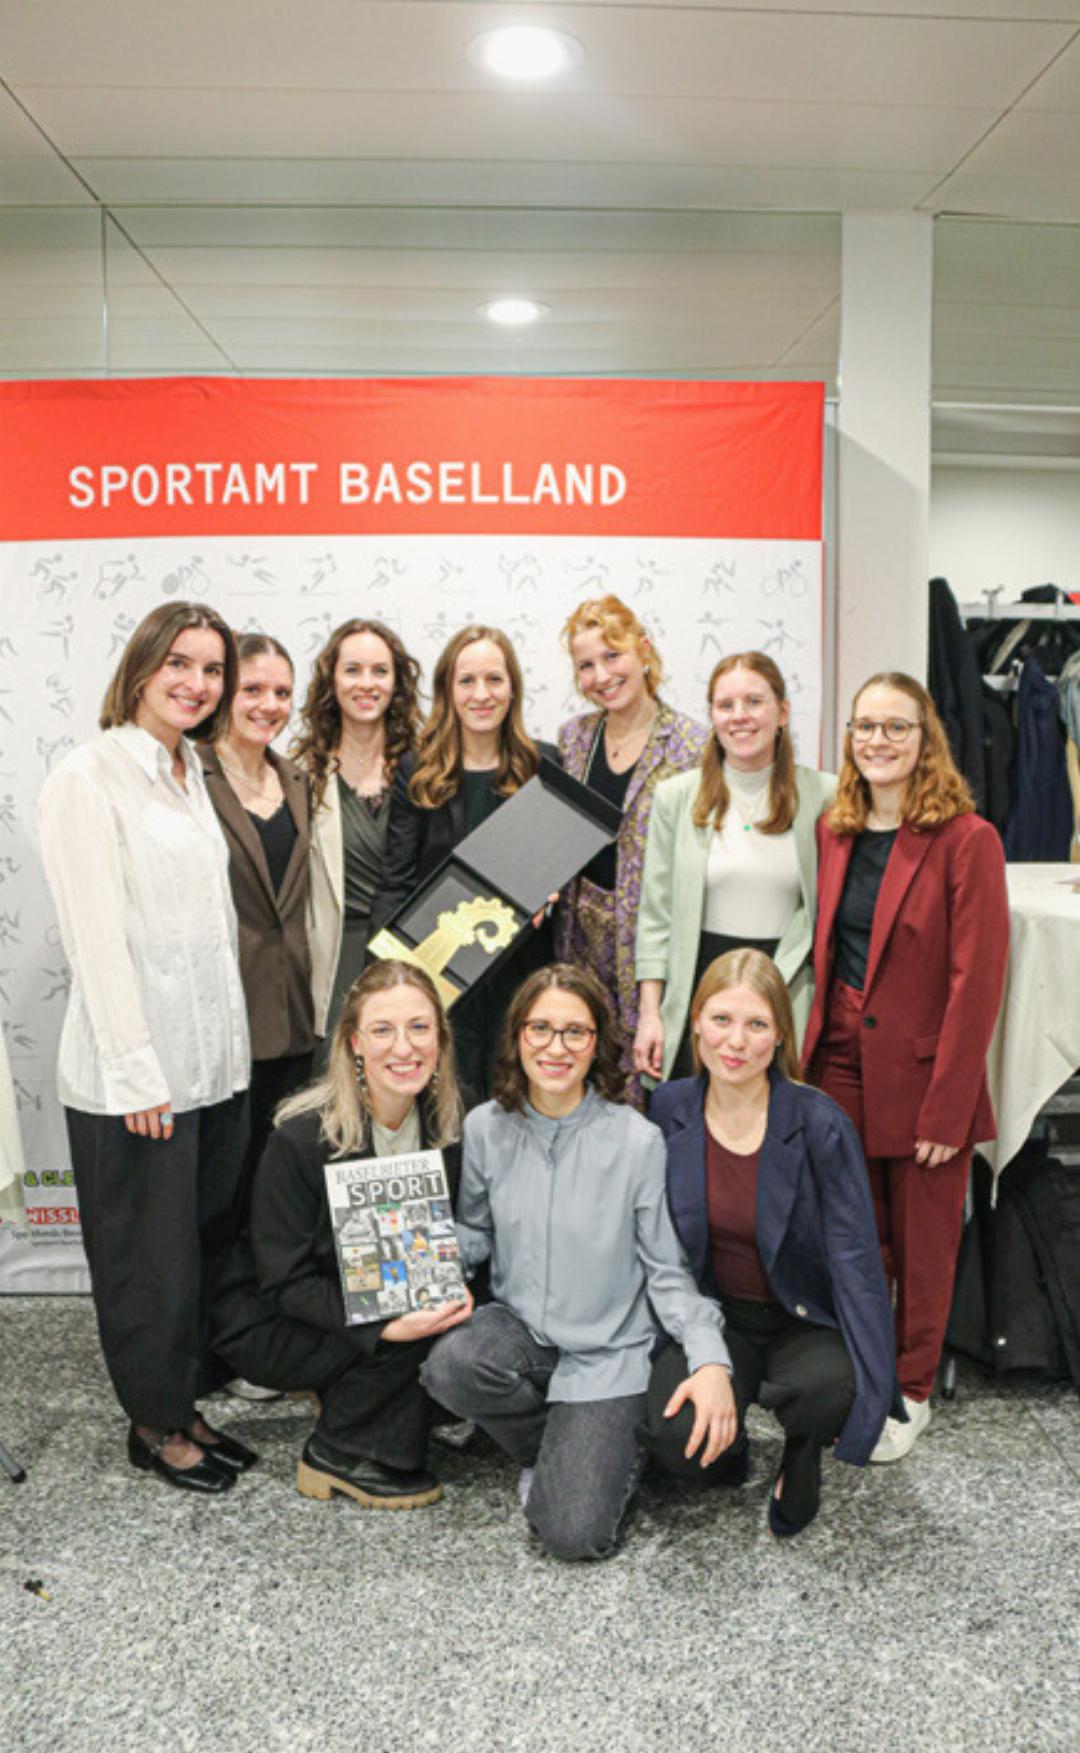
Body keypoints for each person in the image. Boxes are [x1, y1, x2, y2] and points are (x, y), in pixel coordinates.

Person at [38, 601, 254, 1495]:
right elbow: (95, 941)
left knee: (193, 1252)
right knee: (146, 1265)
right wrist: (135, 1071)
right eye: (179, 663)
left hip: (208, 1066)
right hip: (137, 1076)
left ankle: (183, 1403)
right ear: (140, 668)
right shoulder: (87, 777)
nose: (196, 683)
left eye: (212, 669)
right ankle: (153, 1426)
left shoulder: (191, 768)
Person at [421, 964, 734, 1562]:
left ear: (596, 1045)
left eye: (575, 1032)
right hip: (522, 1332)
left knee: (572, 1535)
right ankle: (557, 1446)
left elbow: (668, 1272)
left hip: (609, 1354)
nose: (555, 1047)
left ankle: (591, 1449)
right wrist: (420, 1258)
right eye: (540, 1028)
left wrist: (709, 1357)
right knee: (450, 1366)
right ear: (517, 1036)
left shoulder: (636, 1141)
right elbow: (476, 1232)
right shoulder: (486, 1127)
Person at [803, 672, 1010, 1462]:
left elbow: (976, 981)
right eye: (865, 726)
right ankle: (866, 1374)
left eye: (896, 727)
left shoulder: (967, 839)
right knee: (858, 1237)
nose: (878, 741)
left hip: (926, 1075)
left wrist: (949, 1106)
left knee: (924, 1248)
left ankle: (912, 1389)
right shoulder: (835, 829)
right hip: (840, 1062)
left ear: (927, 740)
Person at [644, 949, 899, 1537]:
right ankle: (729, 1447)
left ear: (781, 1034)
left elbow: (855, 1258)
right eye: (721, 1019)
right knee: (676, 1435)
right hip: (715, 1316)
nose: (736, 1041)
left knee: (833, 1390)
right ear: (697, 1023)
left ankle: (801, 1452)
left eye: (756, 1024)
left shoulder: (819, 1122)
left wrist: (876, 1384)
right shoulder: (668, 1108)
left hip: (800, 1320)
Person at [211, 960, 473, 1509]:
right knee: (416, 1344)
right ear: (355, 1043)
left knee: (470, 1327)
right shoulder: (300, 1138)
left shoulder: (449, 1127)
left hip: (379, 1292)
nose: (404, 1047)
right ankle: (337, 1451)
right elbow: (283, 1283)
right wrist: (383, 1328)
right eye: (382, 1030)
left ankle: (358, 1397)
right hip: (278, 1317)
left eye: (419, 1027)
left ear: (441, 1040)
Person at [370, 624, 555, 1094]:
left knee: (517, 1099)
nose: (481, 694)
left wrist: (554, 891)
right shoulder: (418, 769)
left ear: (512, 688)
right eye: (467, 681)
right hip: (440, 976)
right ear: (447, 691)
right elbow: (396, 879)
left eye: (494, 679)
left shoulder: (543, 766)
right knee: (449, 1103)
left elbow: (564, 866)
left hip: (521, 974)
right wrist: (385, 977)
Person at [634, 652, 834, 1084]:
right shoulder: (675, 796)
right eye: (726, 705)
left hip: (784, 990)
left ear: (782, 712)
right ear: (713, 716)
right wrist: (650, 1014)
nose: (739, 716)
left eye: (754, 702)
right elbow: (655, 918)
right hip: (698, 990)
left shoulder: (824, 795)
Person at [555, 595, 708, 1102]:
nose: (601, 675)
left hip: (650, 952)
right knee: (578, 1088)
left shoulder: (691, 746)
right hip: (577, 945)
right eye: (586, 665)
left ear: (642, 651)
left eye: (612, 656)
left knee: (647, 1092)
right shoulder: (574, 739)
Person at [201, 632, 315, 1235]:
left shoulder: (296, 780)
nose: (269, 705)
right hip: (223, 1015)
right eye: (253, 689)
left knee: (277, 1185)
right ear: (225, 692)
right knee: (220, 1189)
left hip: (292, 1014)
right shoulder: (191, 777)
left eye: (282, 693)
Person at [292, 617, 421, 1053]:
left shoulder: (427, 772)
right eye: (353, 670)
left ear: (397, 683)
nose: (367, 683)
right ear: (331, 680)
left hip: (410, 956)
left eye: (380, 671)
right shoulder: (301, 773)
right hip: (331, 958)